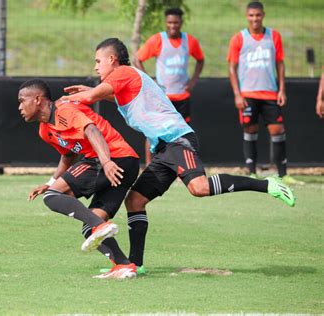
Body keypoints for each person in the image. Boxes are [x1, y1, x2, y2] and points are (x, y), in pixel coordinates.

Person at [61, 37, 296, 271]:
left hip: (177, 140)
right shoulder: (125, 80)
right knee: (135, 201)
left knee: (199, 188)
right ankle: (136, 264)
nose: (95, 66)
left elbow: (92, 98)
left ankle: (267, 185)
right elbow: (117, 96)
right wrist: (91, 92)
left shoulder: (122, 72)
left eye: (98, 61)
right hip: (164, 148)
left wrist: (62, 102)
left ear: (112, 60)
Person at [18, 79, 139, 279]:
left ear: (38, 99)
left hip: (113, 158)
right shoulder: (45, 130)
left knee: (52, 197)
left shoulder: (63, 110)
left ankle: (101, 226)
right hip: (126, 163)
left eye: (22, 101)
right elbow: (68, 155)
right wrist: (50, 182)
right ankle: (123, 266)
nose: (20, 107)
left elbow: (92, 130)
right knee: (88, 227)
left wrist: (107, 162)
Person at [227, 1, 301, 184]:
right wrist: (237, 94)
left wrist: (281, 89)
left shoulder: (273, 36)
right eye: (251, 15)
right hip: (248, 94)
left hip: (270, 94)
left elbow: (280, 64)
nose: (254, 19)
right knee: (250, 129)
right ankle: (252, 172)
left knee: (278, 130)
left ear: (263, 15)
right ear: (247, 16)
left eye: (257, 15)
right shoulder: (239, 38)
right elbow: (231, 67)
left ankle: (283, 174)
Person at [134, 7, 204, 164]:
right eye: (170, 22)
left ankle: (182, 166)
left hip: (182, 96)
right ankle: (149, 166)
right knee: (153, 132)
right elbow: (138, 59)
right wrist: (151, 83)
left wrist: (193, 81)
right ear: (166, 23)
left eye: (176, 22)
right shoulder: (158, 40)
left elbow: (200, 59)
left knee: (182, 133)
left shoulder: (189, 41)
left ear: (181, 22)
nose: (173, 26)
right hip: (162, 97)